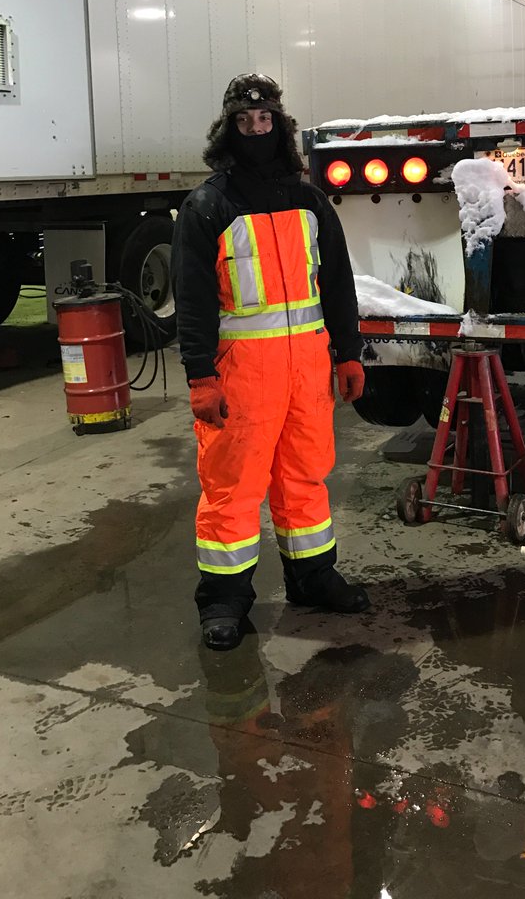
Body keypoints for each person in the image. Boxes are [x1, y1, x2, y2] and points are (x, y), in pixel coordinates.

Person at [172, 72, 369, 651]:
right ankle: (225, 600)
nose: (256, 130)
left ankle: (312, 577)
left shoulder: (308, 201)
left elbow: (337, 283)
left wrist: (349, 354)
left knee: (304, 476)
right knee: (233, 485)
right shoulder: (209, 205)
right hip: (241, 375)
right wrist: (201, 375)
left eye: (266, 121)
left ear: (280, 128)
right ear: (228, 130)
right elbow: (193, 300)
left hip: (306, 370)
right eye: (244, 121)